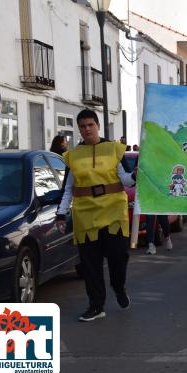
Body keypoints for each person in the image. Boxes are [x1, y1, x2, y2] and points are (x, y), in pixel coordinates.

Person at [56, 109, 136, 322]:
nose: (86, 129)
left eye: (90, 125)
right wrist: (61, 214)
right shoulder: (73, 156)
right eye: (82, 126)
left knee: (119, 258)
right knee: (90, 265)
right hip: (86, 216)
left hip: (114, 213)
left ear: (98, 125)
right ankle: (96, 305)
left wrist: (136, 175)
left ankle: (118, 287)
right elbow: (68, 188)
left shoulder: (113, 150)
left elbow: (126, 180)